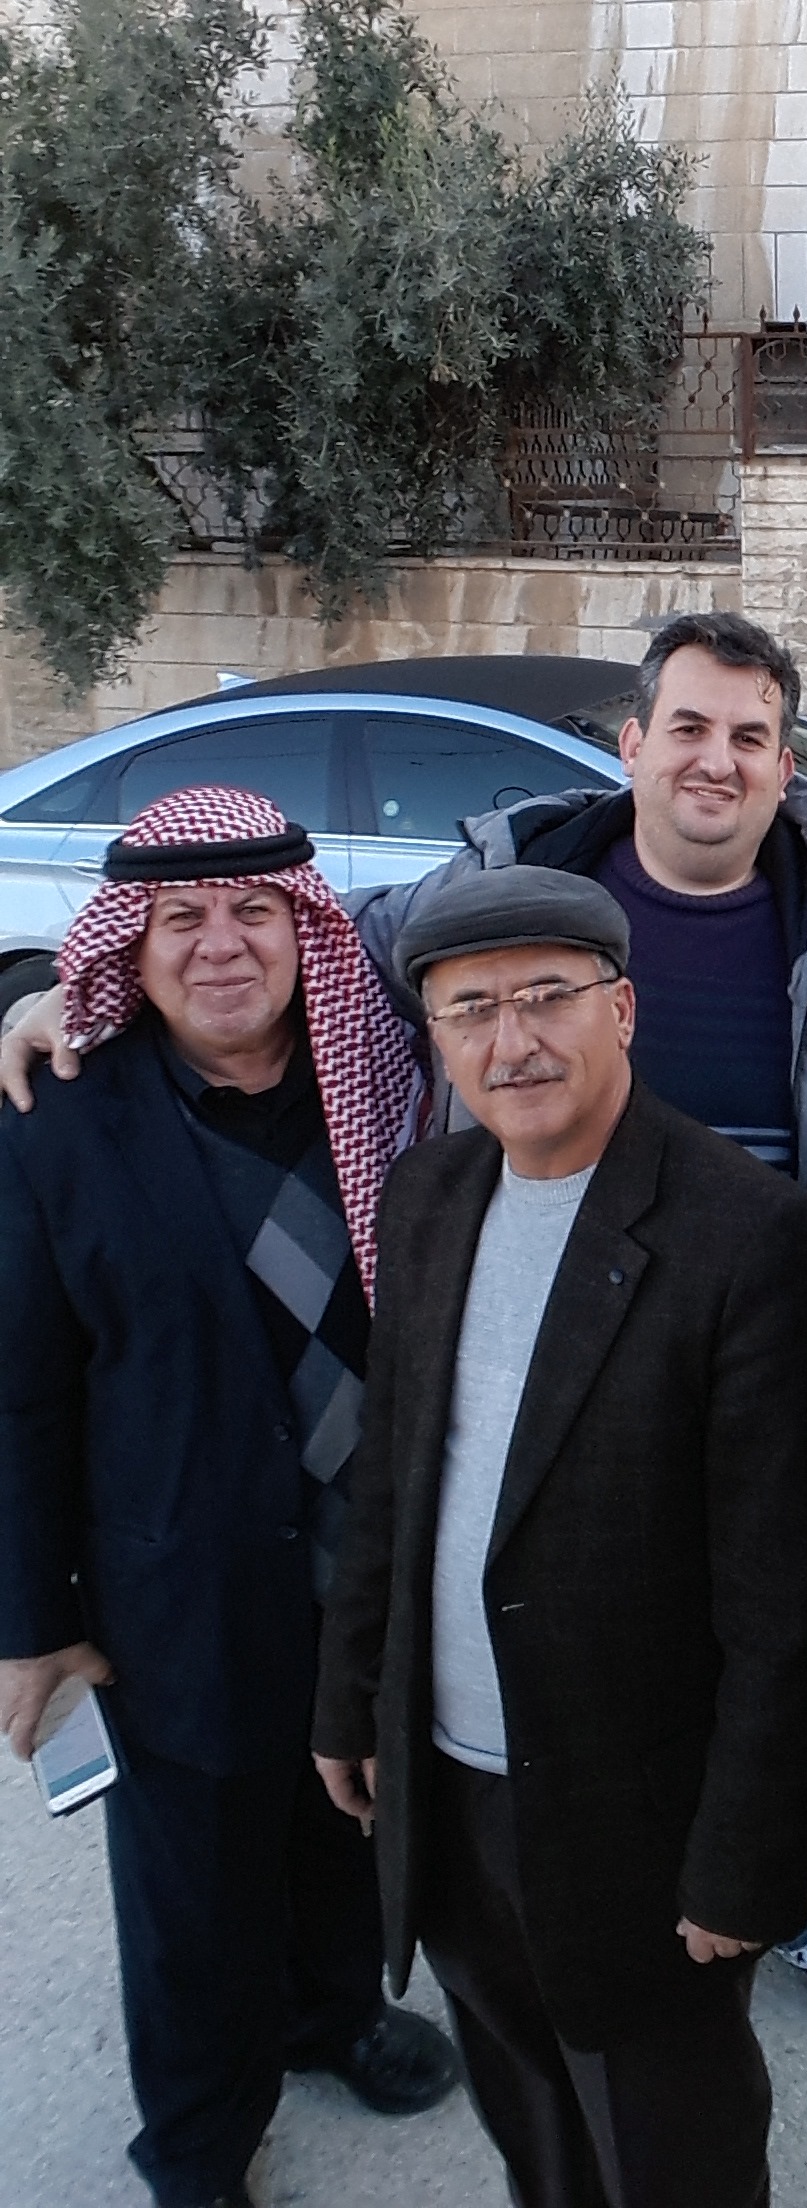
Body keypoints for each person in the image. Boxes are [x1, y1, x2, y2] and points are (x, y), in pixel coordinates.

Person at [4, 610, 807, 2028]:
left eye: (750, 736)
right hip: (531, 1376)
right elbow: (277, 975)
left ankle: (788, 1895)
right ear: (632, 744)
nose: (715, 760)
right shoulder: (498, 883)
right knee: (546, 1650)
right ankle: (547, 1899)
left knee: (774, 1647)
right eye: (688, 727)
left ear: (783, 764)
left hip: (773, 1380)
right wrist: (58, 1010)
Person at [312, 862, 807, 2208]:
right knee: (533, 2131)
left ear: (622, 1008)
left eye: (546, 997)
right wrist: (349, 1700)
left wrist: (748, 1860)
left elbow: (780, 1603)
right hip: (447, 1794)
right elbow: (392, 1481)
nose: (513, 1042)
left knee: (673, 2156)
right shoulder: (429, 1196)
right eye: (470, 1010)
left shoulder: (748, 1236)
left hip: (635, 1831)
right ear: (438, 1040)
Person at [0, 785, 457, 2208]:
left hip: (364, 1564)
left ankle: (330, 2017)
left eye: (256, 910)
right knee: (192, 1888)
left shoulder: (389, 1078)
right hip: (174, 1588)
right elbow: (19, 1389)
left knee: (345, 1811)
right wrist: (33, 1621)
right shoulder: (54, 1118)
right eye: (181, 917)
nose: (221, 945)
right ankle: (197, 2143)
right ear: (127, 947)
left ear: (305, 925)